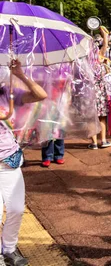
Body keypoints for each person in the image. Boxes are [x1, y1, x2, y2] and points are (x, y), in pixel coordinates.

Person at [1, 59, 47, 266]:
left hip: (10, 161)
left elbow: (40, 95)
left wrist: (20, 74)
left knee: (17, 209)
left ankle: (9, 249)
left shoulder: (7, 94)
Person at [90, 27, 111, 150]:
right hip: (100, 92)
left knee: (91, 118)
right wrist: (104, 35)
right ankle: (103, 140)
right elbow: (105, 46)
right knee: (102, 117)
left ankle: (94, 143)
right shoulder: (99, 57)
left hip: (89, 92)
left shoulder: (84, 60)